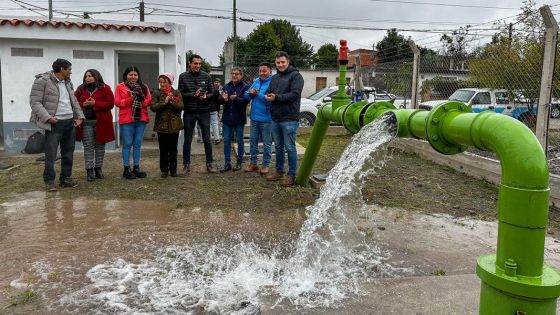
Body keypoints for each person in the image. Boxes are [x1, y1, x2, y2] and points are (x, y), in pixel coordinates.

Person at [29, 58, 85, 191]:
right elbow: (35, 102)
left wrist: (80, 117)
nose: (71, 72)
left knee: (68, 153)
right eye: (69, 69)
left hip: (70, 122)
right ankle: (49, 182)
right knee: (51, 154)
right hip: (55, 123)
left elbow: (74, 101)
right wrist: (48, 118)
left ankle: (65, 178)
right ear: (62, 69)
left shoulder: (68, 82)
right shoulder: (42, 81)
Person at [265, 51, 304, 187]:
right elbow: (269, 90)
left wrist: (276, 97)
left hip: (289, 118)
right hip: (275, 117)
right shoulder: (275, 77)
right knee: (279, 147)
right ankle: (279, 171)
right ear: (275, 63)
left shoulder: (296, 76)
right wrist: (267, 95)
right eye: (278, 62)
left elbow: (294, 95)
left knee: (290, 147)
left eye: (283, 62)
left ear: (288, 62)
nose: (280, 65)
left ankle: (292, 174)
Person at [177, 54, 218, 174]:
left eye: (199, 64)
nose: (198, 66)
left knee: (206, 139)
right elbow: (180, 93)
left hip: (204, 111)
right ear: (190, 63)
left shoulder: (206, 76)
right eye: (195, 63)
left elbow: (212, 93)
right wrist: (192, 95)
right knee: (188, 139)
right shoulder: (183, 76)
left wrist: (206, 96)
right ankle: (186, 165)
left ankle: (209, 164)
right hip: (189, 112)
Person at [74, 69, 115, 182]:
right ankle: (89, 170)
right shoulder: (80, 89)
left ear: (96, 77)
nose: (88, 78)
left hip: (101, 122)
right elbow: (74, 103)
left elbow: (111, 103)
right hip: (86, 123)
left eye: (90, 76)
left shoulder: (105, 88)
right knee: (88, 147)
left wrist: (95, 103)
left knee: (100, 147)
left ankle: (98, 169)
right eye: (86, 76)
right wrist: (84, 104)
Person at [114, 66, 152, 179]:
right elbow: (117, 102)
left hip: (141, 119)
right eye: (131, 74)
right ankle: (126, 168)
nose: (133, 77)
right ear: (126, 75)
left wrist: (140, 98)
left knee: (137, 144)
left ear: (138, 76)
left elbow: (148, 101)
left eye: (135, 75)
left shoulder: (144, 87)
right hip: (126, 119)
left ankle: (136, 168)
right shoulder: (120, 87)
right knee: (127, 144)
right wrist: (131, 99)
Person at [150, 72, 184, 177]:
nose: (162, 84)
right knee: (163, 149)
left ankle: (173, 170)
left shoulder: (176, 92)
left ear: (170, 82)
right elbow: (153, 107)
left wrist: (172, 101)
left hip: (174, 125)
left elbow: (181, 106)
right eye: (160, 82)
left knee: (173, 149)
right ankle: (164, 170)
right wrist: (164, 102)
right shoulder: (156, 93)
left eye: (165, 82)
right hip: (161, 126)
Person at [243, 62, 273, 175]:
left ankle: (265, 165)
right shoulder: (256, 81)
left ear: (270, 71)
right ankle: (253, 163)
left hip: (267, 119)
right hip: (254, 118)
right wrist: (250, 94)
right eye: (260, 71)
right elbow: (246, 95)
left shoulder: (273, 83)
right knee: (253, 142)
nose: (261, 73)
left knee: (267, 143)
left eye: (264, 71)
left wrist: (257, 94)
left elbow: (269, 99)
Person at [219, 68, 250, 172]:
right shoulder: (226, 86)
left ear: (241, 75)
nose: (234, 76)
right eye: (232, 74)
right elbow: (220, 100)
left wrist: (236, 99)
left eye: (237, 74)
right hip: (227, 118)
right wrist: (225, 99)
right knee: (226, 140)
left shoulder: (246, 87)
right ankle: (227, 163)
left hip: (239, 118)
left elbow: (246, 101)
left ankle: (239, 162)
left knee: (239, 140)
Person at [210, 78, 223, 145]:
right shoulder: (212, 89)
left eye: (218, 82)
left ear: (220, 83)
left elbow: (220, 100)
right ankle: (216, 138)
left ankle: (217, 138)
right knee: (214, 124)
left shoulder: (221, 90)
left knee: (215, 123)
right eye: (215, 82)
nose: (216, 83)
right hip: (212, 109)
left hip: (216, 109)